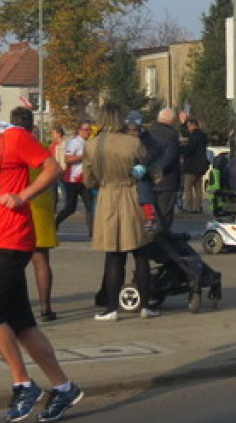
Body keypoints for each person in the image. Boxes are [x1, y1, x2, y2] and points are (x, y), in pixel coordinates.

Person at [0, 79, 84, 423]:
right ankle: (64, 388)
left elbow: (53, 167)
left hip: (12, 237)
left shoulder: (13, 137)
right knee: (21, 324)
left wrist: (24, 196)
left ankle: (23, 383)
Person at [84, 103, 156, 320]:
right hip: (131, 195)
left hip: (107, 197)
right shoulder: (133, 143)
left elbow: (88, 181)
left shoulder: (92, 145)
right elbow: (154, 171)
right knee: (140, 252)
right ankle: (144, 306)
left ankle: (111, 308)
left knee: (114, 255)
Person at [9, 107, 59, 322]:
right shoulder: (42, 147)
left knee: (12, 262)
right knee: (41, 260)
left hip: (16, 206)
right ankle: (45, 307)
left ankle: (11, 307)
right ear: (31, 125)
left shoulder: (8, 146)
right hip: (40, 204)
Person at [54, 121, 94, 237]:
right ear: (80, 131)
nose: (89, 132)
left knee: (90, 206)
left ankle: (93, 232)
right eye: (86, 130)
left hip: (84, 180)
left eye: (90, 130)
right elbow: (67, 159)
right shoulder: (74, 143)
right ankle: (55, 222)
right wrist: (83, 157)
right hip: (71, 180)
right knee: (70, 208)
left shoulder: (89, 143)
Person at [146, 108, 181, 232]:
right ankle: (162, 240)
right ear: (171, 120)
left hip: (148, 181)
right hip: (167, 180)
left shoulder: (147, 132)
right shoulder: (172, 135)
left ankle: (150, 240)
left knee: (149, 215)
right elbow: (169, 159)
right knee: (164, 215)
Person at [179, 116, 208, 213]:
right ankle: (198, 206)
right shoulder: (203, 136)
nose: (188, 128)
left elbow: (190, 149)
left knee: (188, 187)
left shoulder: (194, 136)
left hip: (191, 166)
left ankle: (189, 207)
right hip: (201, 165)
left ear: (192, 125)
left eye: (188, 126)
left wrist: (181, 150)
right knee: (198, 187)